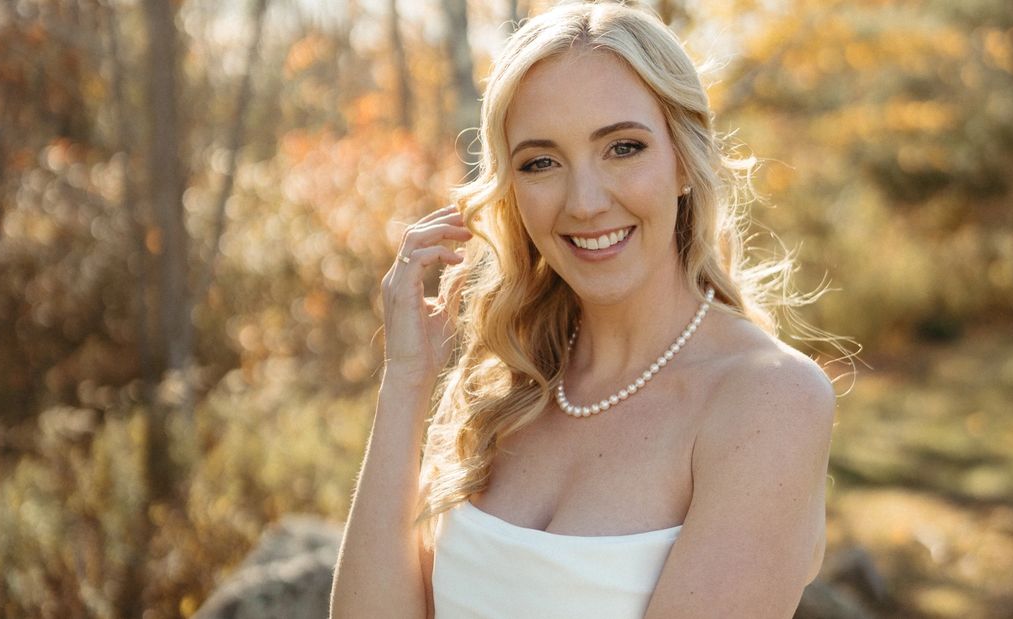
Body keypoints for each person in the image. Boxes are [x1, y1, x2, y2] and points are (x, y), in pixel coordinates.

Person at [331, 2, 840, 617]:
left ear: (682, 160)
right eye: (541, 162)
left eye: (622, 148)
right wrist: (407, 380)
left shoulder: (770, 401)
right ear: (511, 190)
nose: (586, 202)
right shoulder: (500, 389)